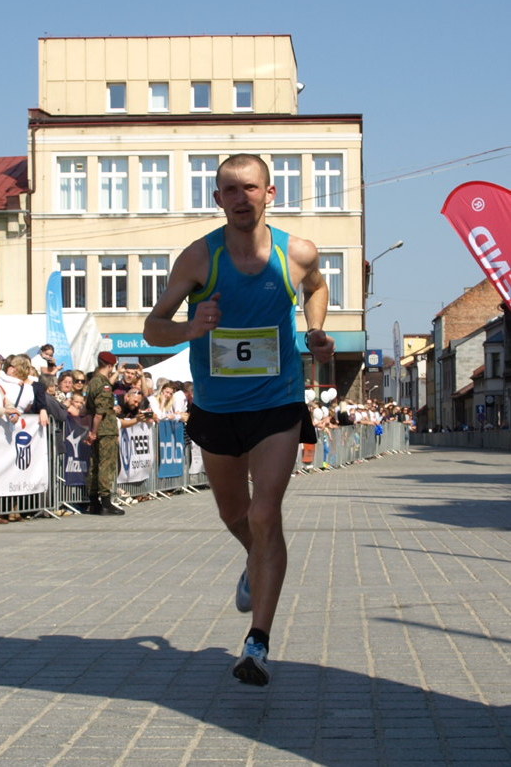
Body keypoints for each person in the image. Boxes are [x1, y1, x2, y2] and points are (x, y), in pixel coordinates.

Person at [143, 153, 335, 686]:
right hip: (218, 408)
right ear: (218, 199)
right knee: (236, 515)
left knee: (265, 512)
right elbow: (153, 327)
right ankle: (258, 561)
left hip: (277, 403)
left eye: (250, 187)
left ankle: (258, 643)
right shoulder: (198, 259)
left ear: (269, 194)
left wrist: (314, 331)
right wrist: (190, 328)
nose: (241, 197)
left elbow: (317, 287)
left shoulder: (297, 253)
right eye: (230, 189)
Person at [84, 351, 124, 516]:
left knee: (95, 465)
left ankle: (94, 502)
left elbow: (90, 407)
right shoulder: (104, 384)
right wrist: (94, 432)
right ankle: (106, 503)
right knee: (106, 465)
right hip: (105, 429)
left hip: (98, 428)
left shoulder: (93, 381)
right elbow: (100, 413)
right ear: (110, 365)